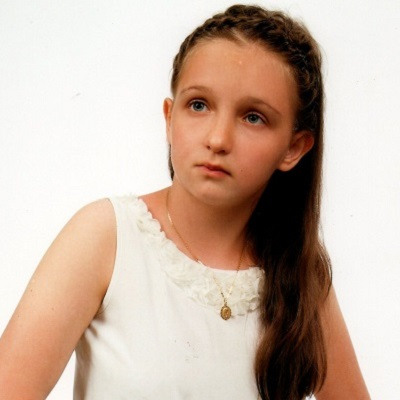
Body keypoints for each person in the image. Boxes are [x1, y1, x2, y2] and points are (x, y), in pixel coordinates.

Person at [0, 4, 370, 399]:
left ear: (294, 148)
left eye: (253, 117)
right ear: (169, 117)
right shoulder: (106, 237)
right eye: (199, 105)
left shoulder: (301, 273)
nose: (218, 139)